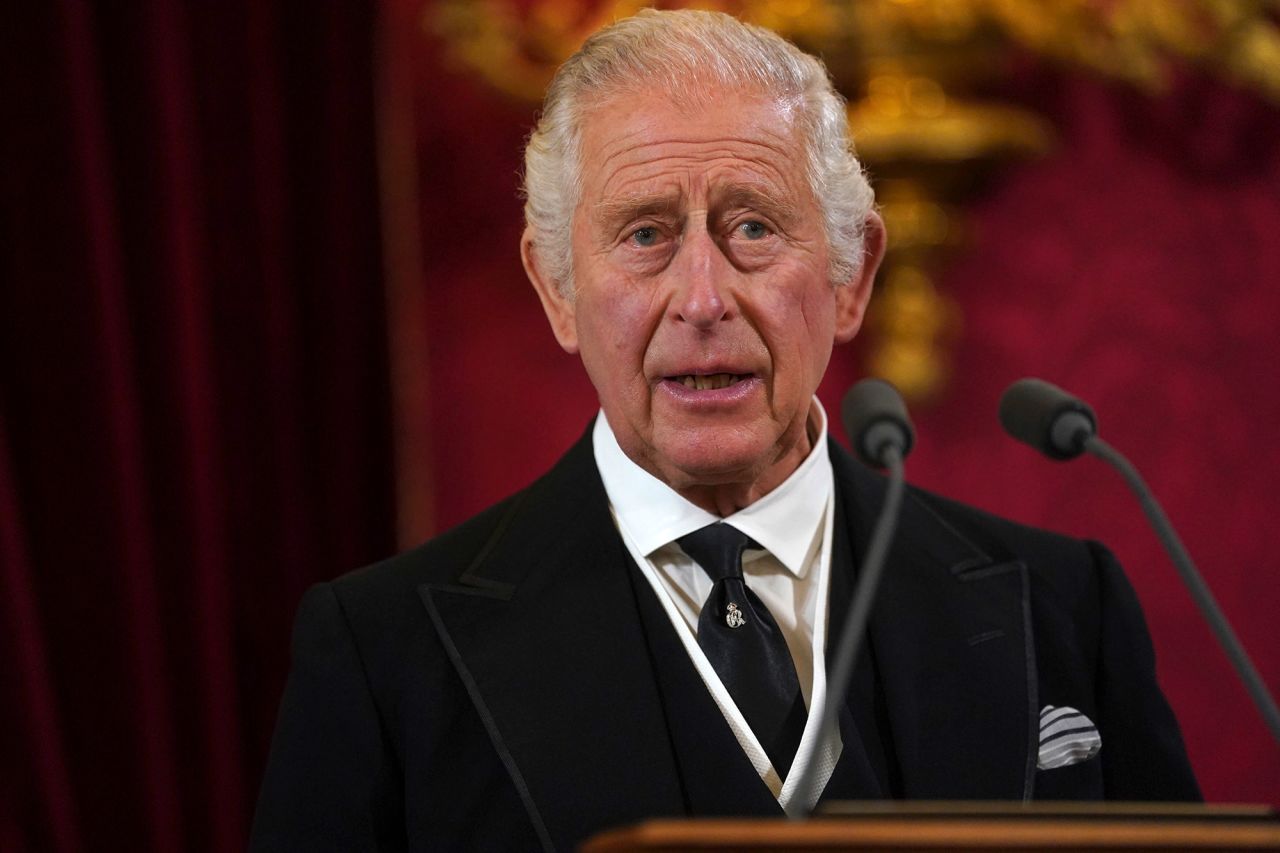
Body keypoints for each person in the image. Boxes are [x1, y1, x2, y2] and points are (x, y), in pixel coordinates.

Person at [250, 10, 1198, 852]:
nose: (703, 299)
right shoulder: (385, 655)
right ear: (556, 288)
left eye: (752, 228)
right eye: (645, 234)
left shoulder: (1063, 606)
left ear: (851, 275)